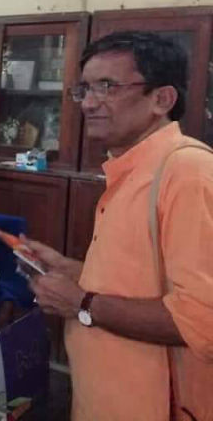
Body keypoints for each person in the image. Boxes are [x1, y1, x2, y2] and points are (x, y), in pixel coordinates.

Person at [24, 32, 213, 420]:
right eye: (85, 89)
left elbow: (201, 320)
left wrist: (81, 302)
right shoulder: (131, 168)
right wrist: (73, 271)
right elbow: (141, 281)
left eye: (107, 87)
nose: (89, 103)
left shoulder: (187, 172)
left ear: (162, 99)